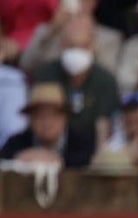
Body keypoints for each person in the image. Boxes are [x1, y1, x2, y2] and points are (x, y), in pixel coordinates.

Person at [29, 13, 118, 143]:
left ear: (92, 46)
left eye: (82, 46)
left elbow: (104, 123)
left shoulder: (105, 80)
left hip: (90, 144)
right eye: (71, 46)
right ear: (61, 45)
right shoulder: (45, 75)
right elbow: (36, 117)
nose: (76, 52)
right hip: (52, 142)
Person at [1, 81, 94, 168]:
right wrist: (19, 158)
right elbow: (4, 160)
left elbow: (86, 162)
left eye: (54, 115)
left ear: (65, 118)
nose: (47, 122)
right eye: (40, 116)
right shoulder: (16, 142)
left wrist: (57, 160)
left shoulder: (82, 142)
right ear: (30, 120)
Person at [18, 0, 122, 73]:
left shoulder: (110, 38)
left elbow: (107, 76)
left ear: (93, 3)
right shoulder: (46, 31)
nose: (75, 4)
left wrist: (87, 40)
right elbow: (26, 64)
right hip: (50, 94)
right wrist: (51, 30)